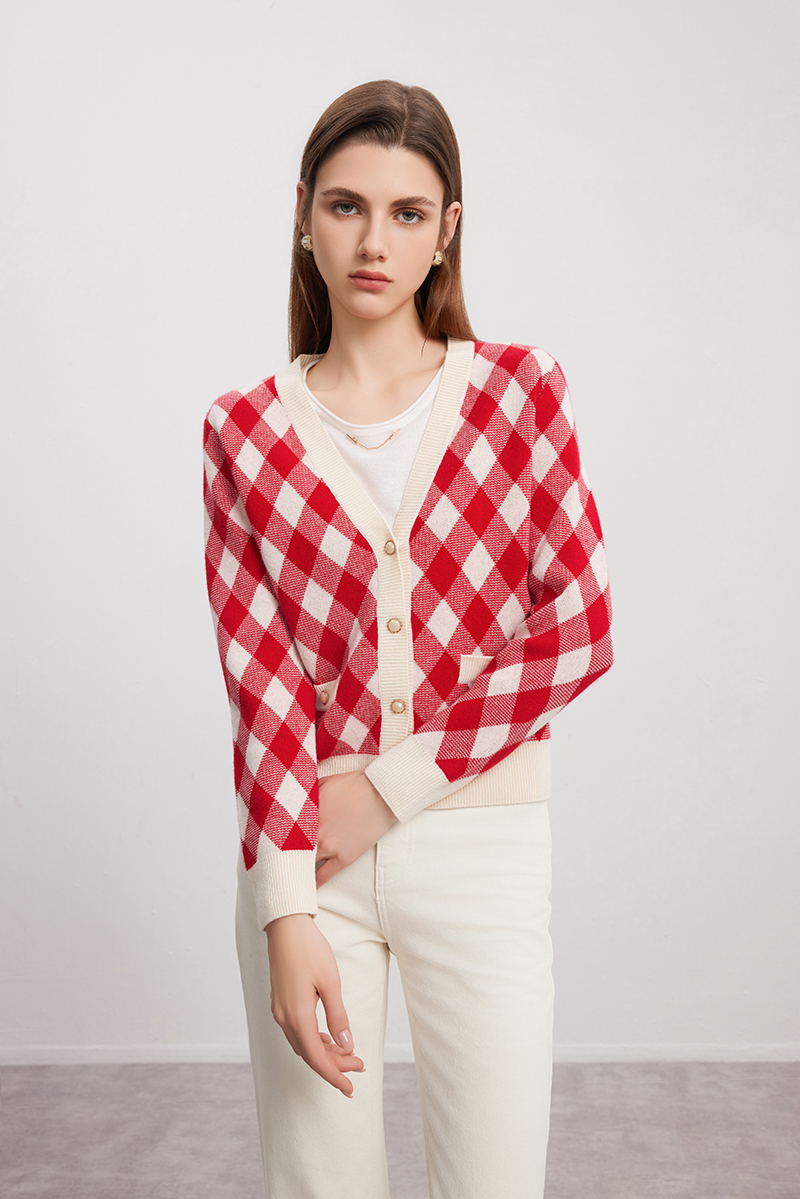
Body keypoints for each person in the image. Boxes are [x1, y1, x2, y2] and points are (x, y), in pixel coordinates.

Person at [203, 79, 613, 1199]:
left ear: (448, 230)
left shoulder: (520, 394)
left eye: (406, 212)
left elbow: (578, 625)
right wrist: (283, 905)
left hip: (479, 850)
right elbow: (261, 687)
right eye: (345, 206)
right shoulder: (243, 431)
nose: (373, 241)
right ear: (303, 214)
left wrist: (387, 789)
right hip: (312, 862)